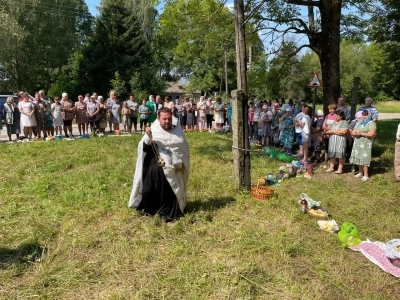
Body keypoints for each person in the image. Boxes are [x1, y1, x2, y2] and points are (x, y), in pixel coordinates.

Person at [129, 107, 190, 222]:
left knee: (170, 185)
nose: (167, 122)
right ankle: (151, 210)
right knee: (155, 176)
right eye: (164, 119)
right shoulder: (154, 129)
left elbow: (182, 147)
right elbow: (144, 147)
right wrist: (148, 136)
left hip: (176, 166)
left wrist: (179, 162)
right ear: (158, 118)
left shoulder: (177, 129)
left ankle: (171, 213)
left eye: (169, 119)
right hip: (156, 161)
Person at [349, 110, 377, 181]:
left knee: (364, 158)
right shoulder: (359, 122)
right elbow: (352, 131)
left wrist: (360, 133)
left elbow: (371, 134)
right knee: (358, 157)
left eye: (366, 115)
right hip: (357, 142)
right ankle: (360, 172)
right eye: (363, 115)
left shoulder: (371, 123)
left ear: (369, 115)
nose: (364, 116)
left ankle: (366, 175)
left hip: (366, 143)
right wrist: (355, 132)